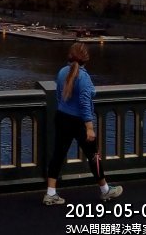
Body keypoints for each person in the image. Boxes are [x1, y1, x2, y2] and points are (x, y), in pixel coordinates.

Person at [44, 42, 123, 206]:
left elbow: (59, 95)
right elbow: (84, 103)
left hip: (62, 117)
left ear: (70, 56)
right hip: (79, 122)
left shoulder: (62, 72)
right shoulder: (84, 78)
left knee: (58, 154)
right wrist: (90, 128)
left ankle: (50, 193)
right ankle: (105, 190)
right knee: (94, 156)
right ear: (86, 59)